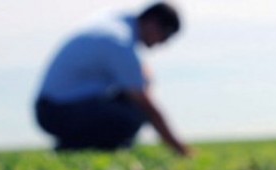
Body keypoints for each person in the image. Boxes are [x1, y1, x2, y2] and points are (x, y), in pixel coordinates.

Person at [34, 2, 191, 155]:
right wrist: (179, 148)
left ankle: (75, 146)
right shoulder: (120, 42)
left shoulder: (117, 25)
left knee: (128, 105)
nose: (163, 43)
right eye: (166, 35)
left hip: (54, 107)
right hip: (57, 111)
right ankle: (73, 147)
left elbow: (140, 74)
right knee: (134, 114)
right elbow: (146, 105)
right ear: (152, 23)